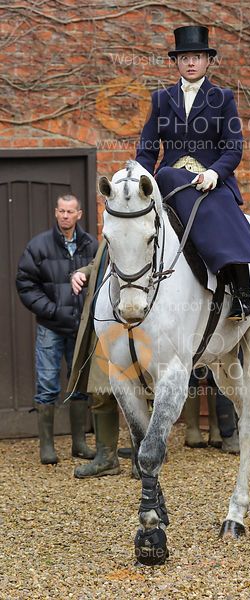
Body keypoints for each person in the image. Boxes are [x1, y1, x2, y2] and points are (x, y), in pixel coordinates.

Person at [136, 25, 250, 321]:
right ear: (176, 62)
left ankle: (242, 290)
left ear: (208, 60)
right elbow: (147, 148)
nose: (191, 62)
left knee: (224, 209)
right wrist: (141, 180)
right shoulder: (161, 100)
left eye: (197, 57)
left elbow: (233, 147)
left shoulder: (222, 98)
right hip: (171, 181)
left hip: (209, 180)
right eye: (184, 57)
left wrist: (215, 173)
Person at [16, 194, 98, 465]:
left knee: (79, 386)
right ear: (55, 213)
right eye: (61, 211)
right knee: (47, 385)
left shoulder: (91, 245)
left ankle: (79, 444)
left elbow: (102, 282)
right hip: (50, 327)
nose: (65, 215)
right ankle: (47, 447)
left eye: (70, 211)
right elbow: (26, 284)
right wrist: (52, 310)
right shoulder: (38, 246)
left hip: (80, 327)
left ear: (79, 214)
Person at [68, 239, 130, 478]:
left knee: (141, 394)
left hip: (134, 328)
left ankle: (143, 458)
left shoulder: (144, 230)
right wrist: (80, 273)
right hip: (103, 327)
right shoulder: (110, 236)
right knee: (101, 392)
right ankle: (107, 458)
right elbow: (99, 265)